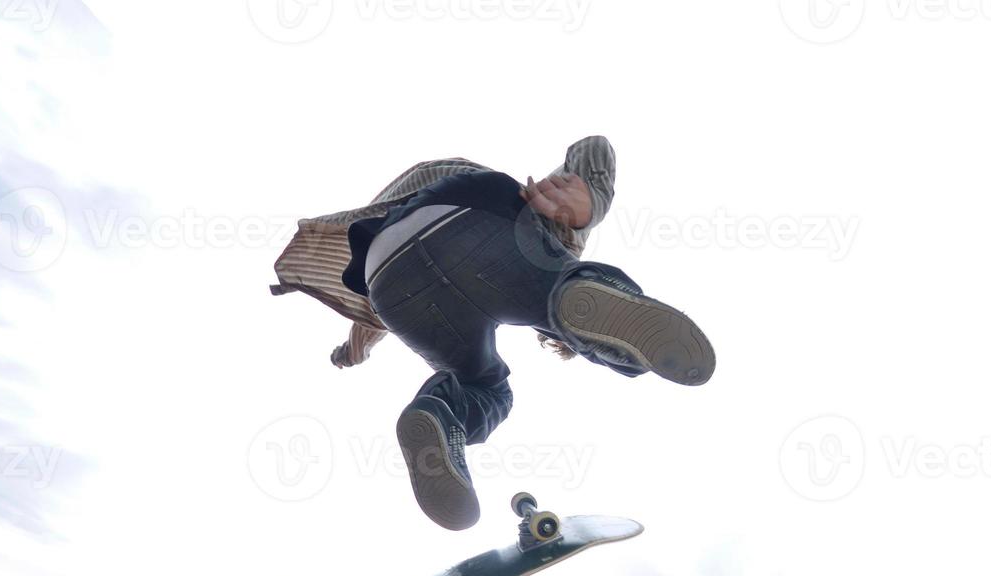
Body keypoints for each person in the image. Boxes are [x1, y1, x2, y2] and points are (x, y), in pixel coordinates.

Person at [269, 135, 715, 530]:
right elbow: (592, 149)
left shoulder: (542, 226)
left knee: (479, 378)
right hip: (476, 217)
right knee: (555, 317)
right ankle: (571, 309)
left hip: (383, 266)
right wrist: (587, 206)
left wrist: (351, 352)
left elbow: (369, 328)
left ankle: (441, 418)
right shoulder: (552, 218)